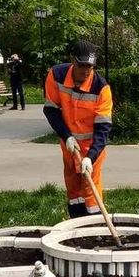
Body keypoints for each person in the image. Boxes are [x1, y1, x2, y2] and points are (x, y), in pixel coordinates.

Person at [43, 40, 113, 218]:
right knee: (73, 189)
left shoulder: (101, 88)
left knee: (91, 191)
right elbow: (51, 109)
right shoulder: (56, 75)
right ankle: (75, 223)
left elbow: (103, 128)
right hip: (70, 146)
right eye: (82, 65)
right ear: (72, 60)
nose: (86, 71)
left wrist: (90, 157)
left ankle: (95, 226)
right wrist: (66, 136)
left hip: (92, 149)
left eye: (90, 66)